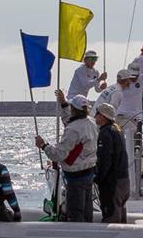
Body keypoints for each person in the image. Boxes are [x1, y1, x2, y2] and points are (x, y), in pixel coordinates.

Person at [35, 91, 98, 222]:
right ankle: (90, 234)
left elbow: (58, 155)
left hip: (76, 177)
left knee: (76, 213)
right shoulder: (91, 123)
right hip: (88, 173)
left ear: (74, 109)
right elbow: (69, 120)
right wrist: (63, 103)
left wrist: (43, 145)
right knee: (87, 210)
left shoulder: (73, 129)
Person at [94, 103, 130, 223]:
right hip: (123, 179)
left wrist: (98, 177)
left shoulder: (105, 133)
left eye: (97, 114)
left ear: (103, 116)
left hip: (113, 182)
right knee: (121, 212)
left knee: (111, 214)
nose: (95, 116)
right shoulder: (118, 130)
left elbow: (105, 159)